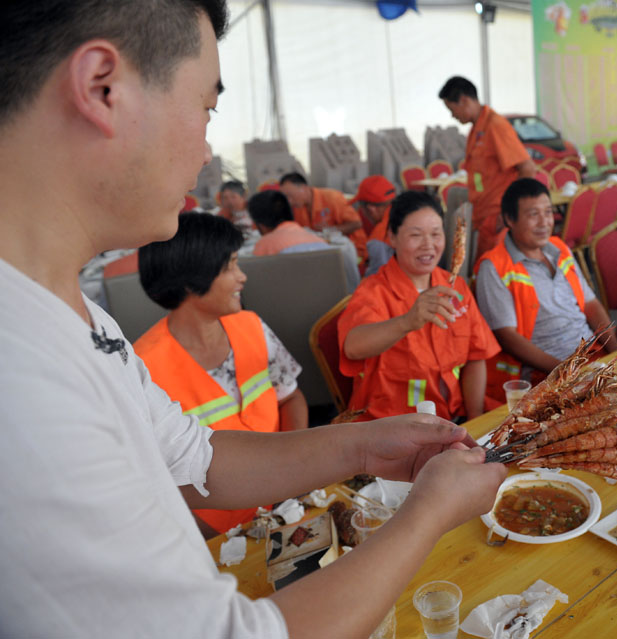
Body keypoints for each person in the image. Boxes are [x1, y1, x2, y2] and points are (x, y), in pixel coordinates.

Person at [0, 2, 506, 637]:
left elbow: (197, 457)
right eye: (206, 108)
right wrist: (427, 514)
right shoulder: (22, 386)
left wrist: (363, 445)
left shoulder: (82, 321)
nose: (209, 153)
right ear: (103, 88)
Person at [134, 212, 308, 535]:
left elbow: (291, 397)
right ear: (191, 279)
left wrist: (292, 476)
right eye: (229, 266)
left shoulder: (251, 326)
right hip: (214, 535)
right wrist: (214, 540)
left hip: (285, 509)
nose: (242, 277)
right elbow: (153, 480)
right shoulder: (142, 367)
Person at [339, 191, 500, 421]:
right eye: (416, 235)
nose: (428, 245)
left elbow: (476, 356)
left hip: (454, 418)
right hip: (393, 425)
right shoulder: (374, 292)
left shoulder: (455, 286)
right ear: (392, 238)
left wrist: (474, 422)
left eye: (436, 234)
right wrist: (407, 322)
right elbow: (352, 347)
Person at [475, 178, 617, 401]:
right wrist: (565, 371)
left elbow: (590, 304)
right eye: (533, 214)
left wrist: (616, 352)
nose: (544, 222)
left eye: (548, 212)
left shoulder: (559, 248)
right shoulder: (493, 267)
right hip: (544, 372)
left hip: (591, 357)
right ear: (509, 219)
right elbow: (507, 336)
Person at [439, 76, 537, 256]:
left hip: (498, 217)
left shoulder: (495, 126)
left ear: (464, 100)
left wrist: (510, 210)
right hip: (484, 218)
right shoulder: (477, 130)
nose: (453, 116)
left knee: (496, 273)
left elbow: (527, 169)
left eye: (452, 110)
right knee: (485, 270)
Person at [247, 190, 360, 291]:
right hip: (333, 308)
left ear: (260, 225)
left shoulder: (265, 244)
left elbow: (258, 285)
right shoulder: (316, 238)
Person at [279, 171, 369, 261]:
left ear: (304, 188)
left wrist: (330, 230)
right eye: (286, 198)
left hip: (352, 252)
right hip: (322, 253)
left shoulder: (332, 198)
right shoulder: (296, 208)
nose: (289, 201)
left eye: (290, 196)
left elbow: (357, 223)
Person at [349, 174, 396, 276]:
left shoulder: (378, 239)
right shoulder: (409, 213)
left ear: (371, 209)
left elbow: (377, 280)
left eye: (361, 208)